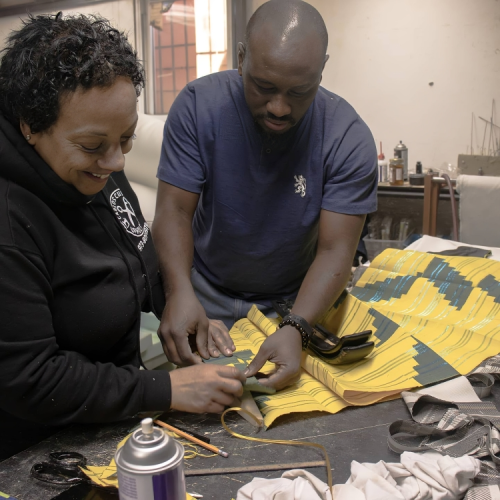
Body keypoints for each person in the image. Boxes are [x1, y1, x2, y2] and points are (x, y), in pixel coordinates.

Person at [0, 13, 244, 460]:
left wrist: (176, 297)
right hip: (35, 449)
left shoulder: (93, 169)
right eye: (94, 146)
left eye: (127, 139)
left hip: (111, 413)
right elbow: (30, 379)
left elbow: (134, 247)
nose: (115, 163)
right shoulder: (11, 224)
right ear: (29, 126)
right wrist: (164, 388)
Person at [152, 0, 378, 391]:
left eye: (299, 92)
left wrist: (298, 327)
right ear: (241, 58)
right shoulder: (197, 107)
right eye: (264, 86)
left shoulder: (347, 138)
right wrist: (179, 291)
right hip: (204, 290)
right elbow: (173, 211)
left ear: (322, 70)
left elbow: (335, 251)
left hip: (292, 301)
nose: (278, 107)